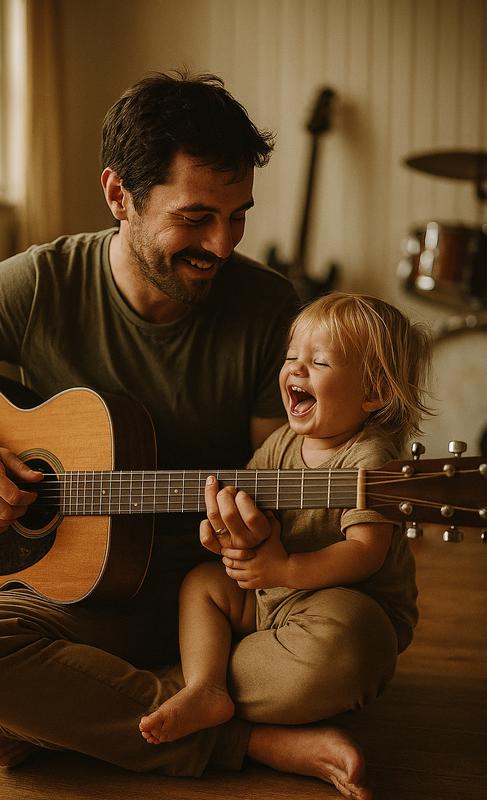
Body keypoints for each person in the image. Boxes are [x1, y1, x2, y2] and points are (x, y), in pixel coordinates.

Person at [0, 70, 378, 800]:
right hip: (77, 597)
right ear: (119, 196)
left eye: (237, 215)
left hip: (217, 602)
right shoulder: (39, 284)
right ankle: (243, 741)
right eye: (194, 218)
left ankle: (78, 712)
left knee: (344, 653)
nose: (221, 243)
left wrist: (254, 543)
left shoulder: (268, 306)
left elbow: (276, 475)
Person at [139, 293, 433, 797]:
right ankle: (206, 689)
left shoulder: (371, 457)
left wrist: (285, 570)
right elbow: (244, 506)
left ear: (373, 391)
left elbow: (366, 552)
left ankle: (149, 689)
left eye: (318, 362)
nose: (296, 368)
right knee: (201, 584)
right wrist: (226, 532)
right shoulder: (280, 445)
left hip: (342, 610)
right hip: (268, 602)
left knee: (348, 644)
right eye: (292, 356)